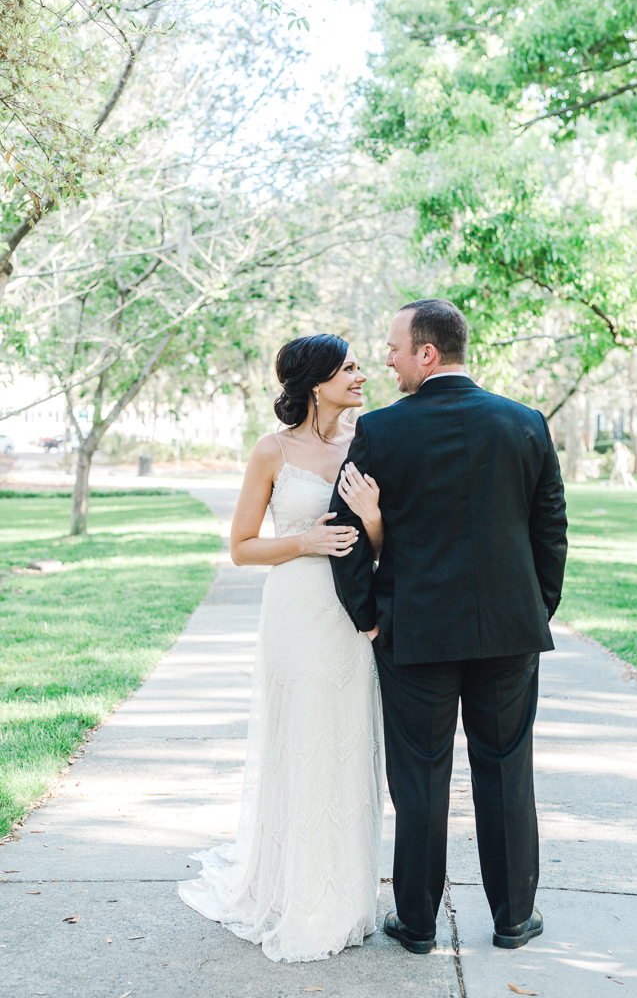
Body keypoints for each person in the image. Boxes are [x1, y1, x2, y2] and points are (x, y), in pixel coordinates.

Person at [329, 299, 568, 954]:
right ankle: (514, 918)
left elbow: (343, 536)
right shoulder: (524, 423)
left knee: (420, 779)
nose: (386, 358)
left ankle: (416, 924)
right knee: (504, 770)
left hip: (415, 636)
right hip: (507, 633)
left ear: (426, 353)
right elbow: (550, 530)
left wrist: (368, 619)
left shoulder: (377, 431)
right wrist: (532, 610)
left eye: (395, 347)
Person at [179, 334, 386, 963]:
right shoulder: (271, 451)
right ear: (316, 381)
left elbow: (385, 545)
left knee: (349, 740)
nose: (360, 375)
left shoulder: (370, 443)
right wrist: (303, 542)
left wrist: (373, 521)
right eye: (348, 367)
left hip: (353, 613)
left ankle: (345, 894)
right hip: (296, 611)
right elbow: (241, 547)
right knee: (302, 739)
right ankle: (290, 889)